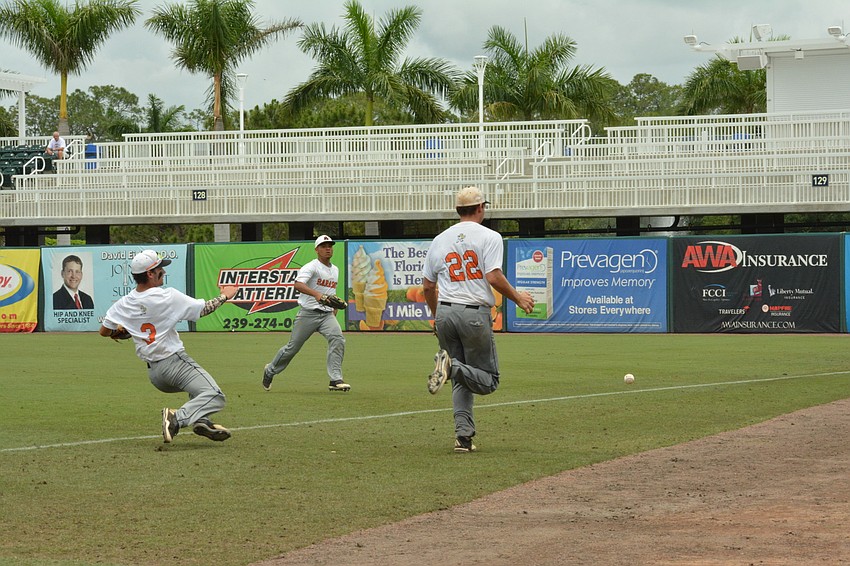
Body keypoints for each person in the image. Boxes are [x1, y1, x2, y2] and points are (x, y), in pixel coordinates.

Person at [422, 186, 535, 453]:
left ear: (458, 210)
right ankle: (451, 368)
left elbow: (427, 286)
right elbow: (493, 276)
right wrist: (518, 298)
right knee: (488, 379)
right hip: (473, 313)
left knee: (462, 376)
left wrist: (437, 318)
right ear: (481, 208)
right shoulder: (490, 236)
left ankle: (463, 437)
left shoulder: (439, 239)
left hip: (446, 312)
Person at [99, 249, 238, 444]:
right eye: (160, 269)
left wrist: (123, 333)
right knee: (215, 396)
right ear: (150, 274)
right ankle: (176, 418)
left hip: (155, 375)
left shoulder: (124, 303)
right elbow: (204, 309)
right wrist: (225, 296)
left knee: (199, 391)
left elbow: (105, 331)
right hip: (174, 362)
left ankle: (200, 420)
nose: (163, 272)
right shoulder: (167, 296)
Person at [262, 235, 349, 392]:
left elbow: (330, 292)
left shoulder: (335, 269)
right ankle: (270, 370)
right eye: (323, 246)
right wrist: (316, 294)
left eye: (330, 245)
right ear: (317, 249)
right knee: (292, 348)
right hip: (308, 313)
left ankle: (335, 379)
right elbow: (298, 284)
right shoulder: (311, 267)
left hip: (326, 315)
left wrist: (333, 309)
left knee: (338, 339)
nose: (328, 248)